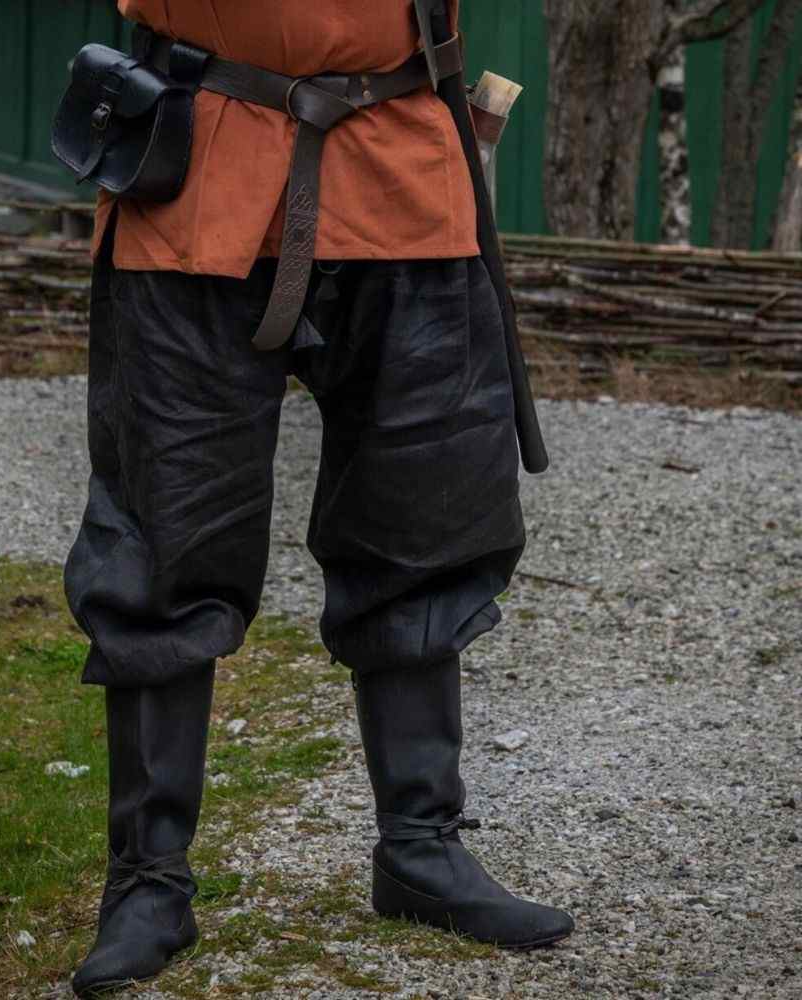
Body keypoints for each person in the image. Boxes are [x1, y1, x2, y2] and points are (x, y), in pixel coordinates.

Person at [62, 1, 574, 994]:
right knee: (163, 532)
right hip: (201, 167)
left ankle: (420, 850)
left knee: (423, 514)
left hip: (405, 176)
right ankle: (147, 883)